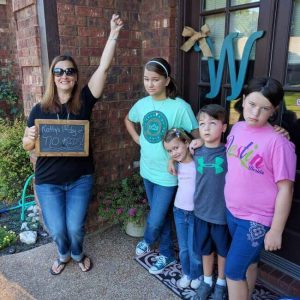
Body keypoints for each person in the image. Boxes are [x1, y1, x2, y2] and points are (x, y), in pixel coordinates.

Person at [22, 14, 124, 275]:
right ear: (52, 76)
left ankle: (77, 252)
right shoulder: (39, 109)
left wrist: (113, 33)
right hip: (47, 181)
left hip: (80, 178)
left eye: (69, 71)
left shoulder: (85, 101)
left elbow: (103, 67)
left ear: (76, 76)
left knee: (76, 226)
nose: (64, 75)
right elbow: (27, 144)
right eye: (59, 71)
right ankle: (63, 254)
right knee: (57, 228)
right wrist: (29, 140)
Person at [124, 58, 199, 274]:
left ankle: (148, 239)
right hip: (147, 170)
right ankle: (166, 254)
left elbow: (194, 136)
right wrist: (137, 139)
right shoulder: (142, 104)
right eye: (146, 79)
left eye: (155, 80)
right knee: (163, 215)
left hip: (168, 174)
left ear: (167, 80)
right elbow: (128, 120)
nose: (150, 84)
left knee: (155, 219)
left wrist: (177, 155)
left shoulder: (180, 107)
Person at [224, 77, 296, 300]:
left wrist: (275, 230)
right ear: (244, 100)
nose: (255, 113)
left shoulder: (279, 143)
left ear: (273, 111)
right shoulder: (237, 127)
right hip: (232, 211)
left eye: (264, 108)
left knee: (232, 272)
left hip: (255, 219)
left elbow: (286, 189)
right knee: (250, 262)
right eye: (252, 104)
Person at [192, 104, 231, 300]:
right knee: (205, 249)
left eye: (212, 123)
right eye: (202, 124)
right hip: (200, 211)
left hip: (221, 214)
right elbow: (175, 153)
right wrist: (169, 160)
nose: (206, 128)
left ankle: (221, 284)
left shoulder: (230, 152)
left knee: (223, 250)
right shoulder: (195, 150)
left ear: (223, 127)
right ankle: (207, 281)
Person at [163, 128, 202, 289]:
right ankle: (187, 273)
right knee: (184, 248)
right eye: (170, 151)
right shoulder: (177, 163)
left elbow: (212, 147)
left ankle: (197, 274)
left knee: (194, 249)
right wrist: (171, 160)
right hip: (179, 210)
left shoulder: (198, 161)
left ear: (186, 142)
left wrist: (201, 142)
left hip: (195, 213)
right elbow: (174, 159)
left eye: (176, 147)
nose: (174, 152)